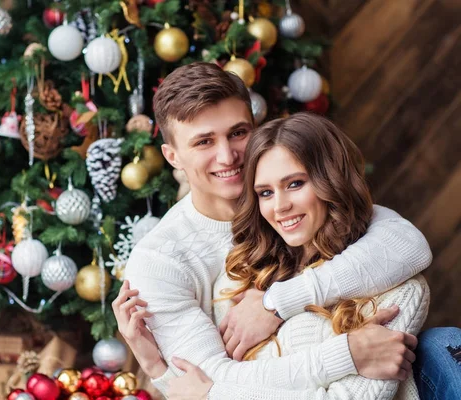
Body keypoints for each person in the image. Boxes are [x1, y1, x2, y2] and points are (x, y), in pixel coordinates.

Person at [112, 63, 433, 399]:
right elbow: (203, 382)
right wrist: (347, 355)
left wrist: (275, 303)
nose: (228, 156)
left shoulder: (301, 216)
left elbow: (408, 245)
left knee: (441, 346)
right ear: (172, 156)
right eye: (204, 142)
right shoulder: (160, 261)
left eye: (237, 133)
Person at [175, 112, 430, 399]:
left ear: (331, 181)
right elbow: (204, 378)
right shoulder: (242, 278)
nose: (280, 206)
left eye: (295, 184)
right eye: (265, 193)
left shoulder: (400, 290)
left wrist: (217, 396)